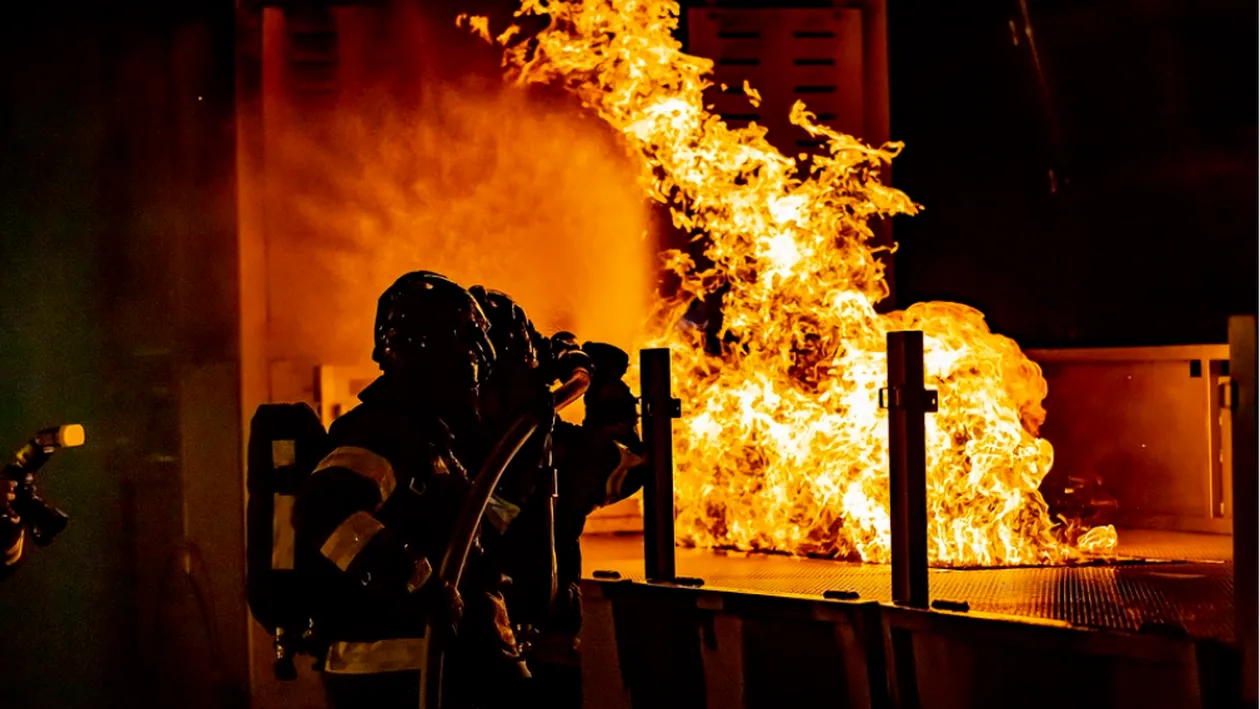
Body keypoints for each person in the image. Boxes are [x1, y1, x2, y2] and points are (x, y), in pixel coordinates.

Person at [292, 271, 528, 709]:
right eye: (467, 355)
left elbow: (480, 528)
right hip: (392, 676)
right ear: (438, 354)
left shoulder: (430, 439)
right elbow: (324, 510)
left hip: (428, 670)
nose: (473, 374)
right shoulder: (384, 432)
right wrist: (418, 584)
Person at [469, 287, 647, 709]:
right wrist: (607, 396)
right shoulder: (540, 445)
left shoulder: (447, 437)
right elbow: (626, 466)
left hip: (483, 644)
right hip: (533, 643)